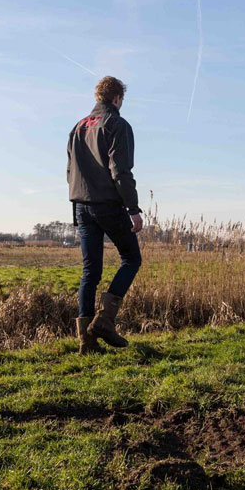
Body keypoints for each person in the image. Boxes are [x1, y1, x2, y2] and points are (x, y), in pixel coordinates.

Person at [67, 75, 143, 354]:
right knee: (132, 258)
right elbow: (120, 171)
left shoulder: (77, 127)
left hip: (80, 204)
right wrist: (133, 209)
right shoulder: (117, 124)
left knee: (91, 272)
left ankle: (85, 342)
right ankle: (104, 321)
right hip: (108, 204)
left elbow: (69, 171)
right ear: (117, 98)